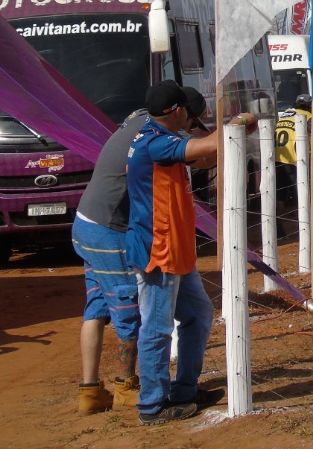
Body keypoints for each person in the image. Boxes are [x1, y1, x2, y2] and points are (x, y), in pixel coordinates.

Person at [73, 84, 211, 415]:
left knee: (97, 308)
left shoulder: (142, 122)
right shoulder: (156, 137)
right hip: (111, 229)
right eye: (194, 122)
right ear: (180, 113)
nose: (193, 130)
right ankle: (130, 390)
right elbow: (201, 153)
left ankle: (90, 392)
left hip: (89, 222)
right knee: (132, 311)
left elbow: (200, 149)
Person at [126, 80, 256, 426]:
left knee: (197, 315)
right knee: (156, 329)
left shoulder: (160, 139)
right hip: (160, 251)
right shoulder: (156, 144)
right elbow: (210, 144)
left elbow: (203, 156)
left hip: (176, 251)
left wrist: (228, 138)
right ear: (179, 111)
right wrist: (241, 121)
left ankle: (183, 390)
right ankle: (152, 406)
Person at [274, 93, 313, 228]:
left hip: (278, 156)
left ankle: (278, 228)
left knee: (280, 195)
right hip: (294, 158)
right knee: (302, 192)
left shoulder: (285, 113)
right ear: (309, 106)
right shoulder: (308, 116)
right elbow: (312, 135)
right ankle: (306, 225)